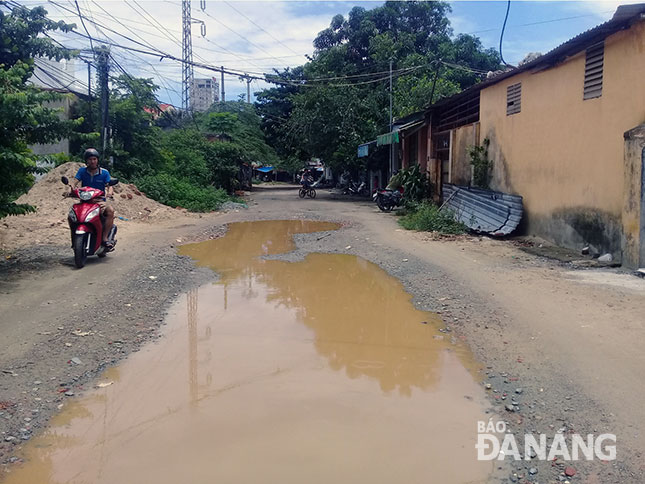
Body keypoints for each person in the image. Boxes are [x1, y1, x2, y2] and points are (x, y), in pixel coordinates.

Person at [70, 148, 115, 248]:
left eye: (94, 159)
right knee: (71, 216)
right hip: (84, 201)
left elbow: (109, 185)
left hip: (99, 201)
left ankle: (104, 238)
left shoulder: (104, 172)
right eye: (90, 159)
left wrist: (109, 193)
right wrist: (71, 190)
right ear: (86, 161)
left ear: (97, 160)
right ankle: (74, 237)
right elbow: (75, 181)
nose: (92, 161)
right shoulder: (82, 171)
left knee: (110, 211)